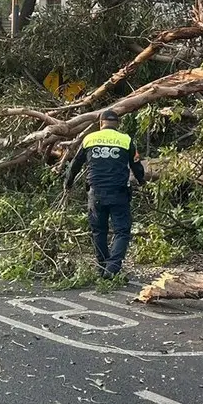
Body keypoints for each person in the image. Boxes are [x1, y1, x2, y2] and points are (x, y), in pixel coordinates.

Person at [64, 109, 145, 278]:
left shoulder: (89, 139)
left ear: (101, 124)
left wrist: (68, 184)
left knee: (99, 231)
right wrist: (142, 181)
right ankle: (113, 266)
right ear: (118, 125)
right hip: (119, 193)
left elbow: (75, 165)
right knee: (122, 231)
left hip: (96, 193)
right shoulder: (125, 140)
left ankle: (102, 267)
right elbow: (136, 165)